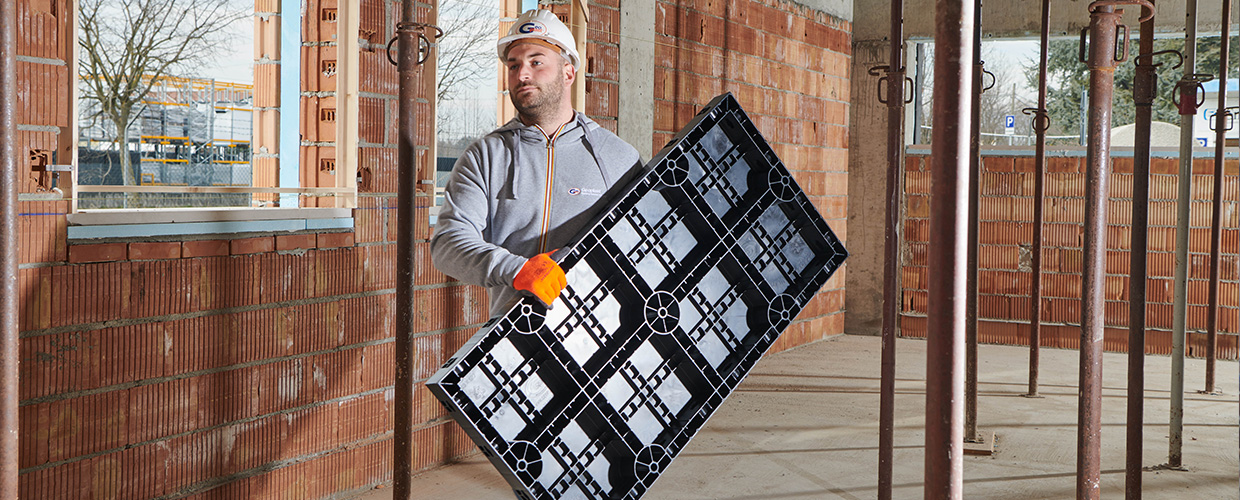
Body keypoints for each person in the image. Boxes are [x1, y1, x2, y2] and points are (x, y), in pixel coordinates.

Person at [431, 9, 643, 318]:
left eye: (536, 62)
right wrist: (517, 269)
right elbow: (447, 244)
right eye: (514, 65)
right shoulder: (485, 156)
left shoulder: (617, 158)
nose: (522, 75)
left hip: (599, 334)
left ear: (568, 73)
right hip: (515, 335)